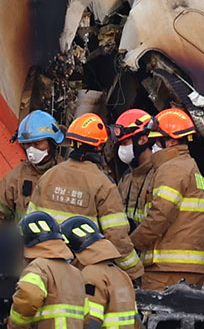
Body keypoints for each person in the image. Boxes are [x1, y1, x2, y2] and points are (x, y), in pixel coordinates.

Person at [29, 113, 141, 278]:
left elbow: (29, 224)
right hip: (81, 274)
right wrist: (134, 270)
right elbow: (116, 237)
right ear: (99, 146)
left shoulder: (49, 176)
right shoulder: (103, 184)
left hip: (43, 269)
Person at [129, 108, 204, 290]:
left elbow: (160, 214)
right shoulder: (189, 166)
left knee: (150, 313)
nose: (152, 145)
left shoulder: (172, 169)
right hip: (191, 266)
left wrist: (131, 244)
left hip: (169, 268)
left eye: (155, 140)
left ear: (171, 141)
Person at [0, 110, 64, 223]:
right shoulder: (15, 178)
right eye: (27, 144)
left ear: (52, 142)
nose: (31, 150)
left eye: (37, 143)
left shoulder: (67, 176)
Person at [113, 108, 157, 228]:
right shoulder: (126, 177)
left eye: (125, 143)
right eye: (120, 144)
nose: (122, 149)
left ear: (143, 140)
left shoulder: (159, 176)